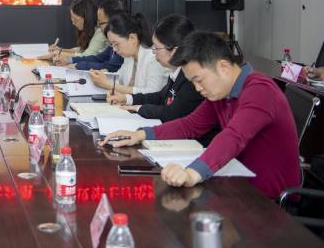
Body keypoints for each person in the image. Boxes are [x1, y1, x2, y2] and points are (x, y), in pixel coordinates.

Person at [100, 31, 301, 199]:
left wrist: (191, 173)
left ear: (223, 67)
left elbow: (233, 137)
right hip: (236, 186)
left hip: (269, 201)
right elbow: (190, 125)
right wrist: (140, 134)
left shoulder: (260, 91)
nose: (197, 88)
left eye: (199, 80)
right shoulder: (222, 92)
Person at [107, 15, 206, 124]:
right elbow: (160, 96)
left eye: (156, 48)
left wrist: (139, 108)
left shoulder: (191, 78)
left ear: (175, 51)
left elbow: (172, 113)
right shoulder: (176, 72)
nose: (154, 52)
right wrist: (127, 98)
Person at [90, 12, 170, 96]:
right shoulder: (129, 57)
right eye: (112, 44)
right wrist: (106, 75)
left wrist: (109, 84)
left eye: (116, 44)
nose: (114, 49)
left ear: (132, 38)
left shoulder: (154, 58)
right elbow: (119, 79)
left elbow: (152, 93)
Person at [41, 0, 106, 65]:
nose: (73, 23)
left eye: (76, 19)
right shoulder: (89, 29)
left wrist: (59, 53)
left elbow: (87, 56)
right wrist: (60, 50)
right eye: (72, 18)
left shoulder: (100, 31)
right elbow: (82, 49)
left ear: (87, 18)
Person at [67, 0, 124, 72]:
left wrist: (79, 65)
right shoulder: (112, 43)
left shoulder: (121, 39)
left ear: (112, 21)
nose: (99, 27)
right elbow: (98, 58)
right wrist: (70, 60)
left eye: (101, 23)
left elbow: (111, 66)